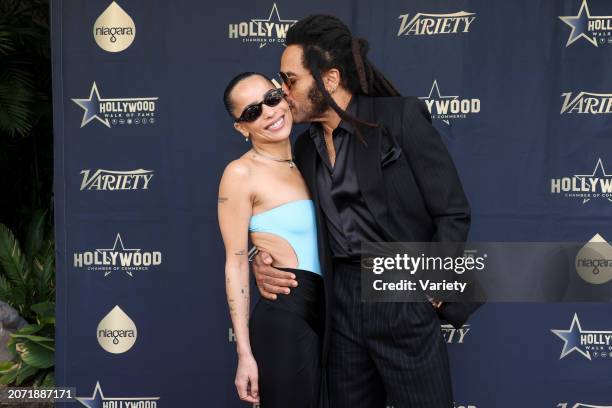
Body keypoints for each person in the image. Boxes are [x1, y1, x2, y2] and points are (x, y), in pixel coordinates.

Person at [252, 15, 478, 408]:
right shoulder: (303, 148)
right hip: (339, 302)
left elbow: (452, 211)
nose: (282, 91)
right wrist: (262, 258)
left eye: (291, 80)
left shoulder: (399, 118)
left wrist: (430, 289)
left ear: (331, 79)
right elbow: (290, 221)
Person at [218, 72, 324, 407]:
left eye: (272, 97)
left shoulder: (313, 156)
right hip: (287, 317)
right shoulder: (240, 173)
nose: (268, 112)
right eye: (251, 112)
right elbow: (234, 262)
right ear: (241, 127)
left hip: (336, 313)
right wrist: (245, 354)